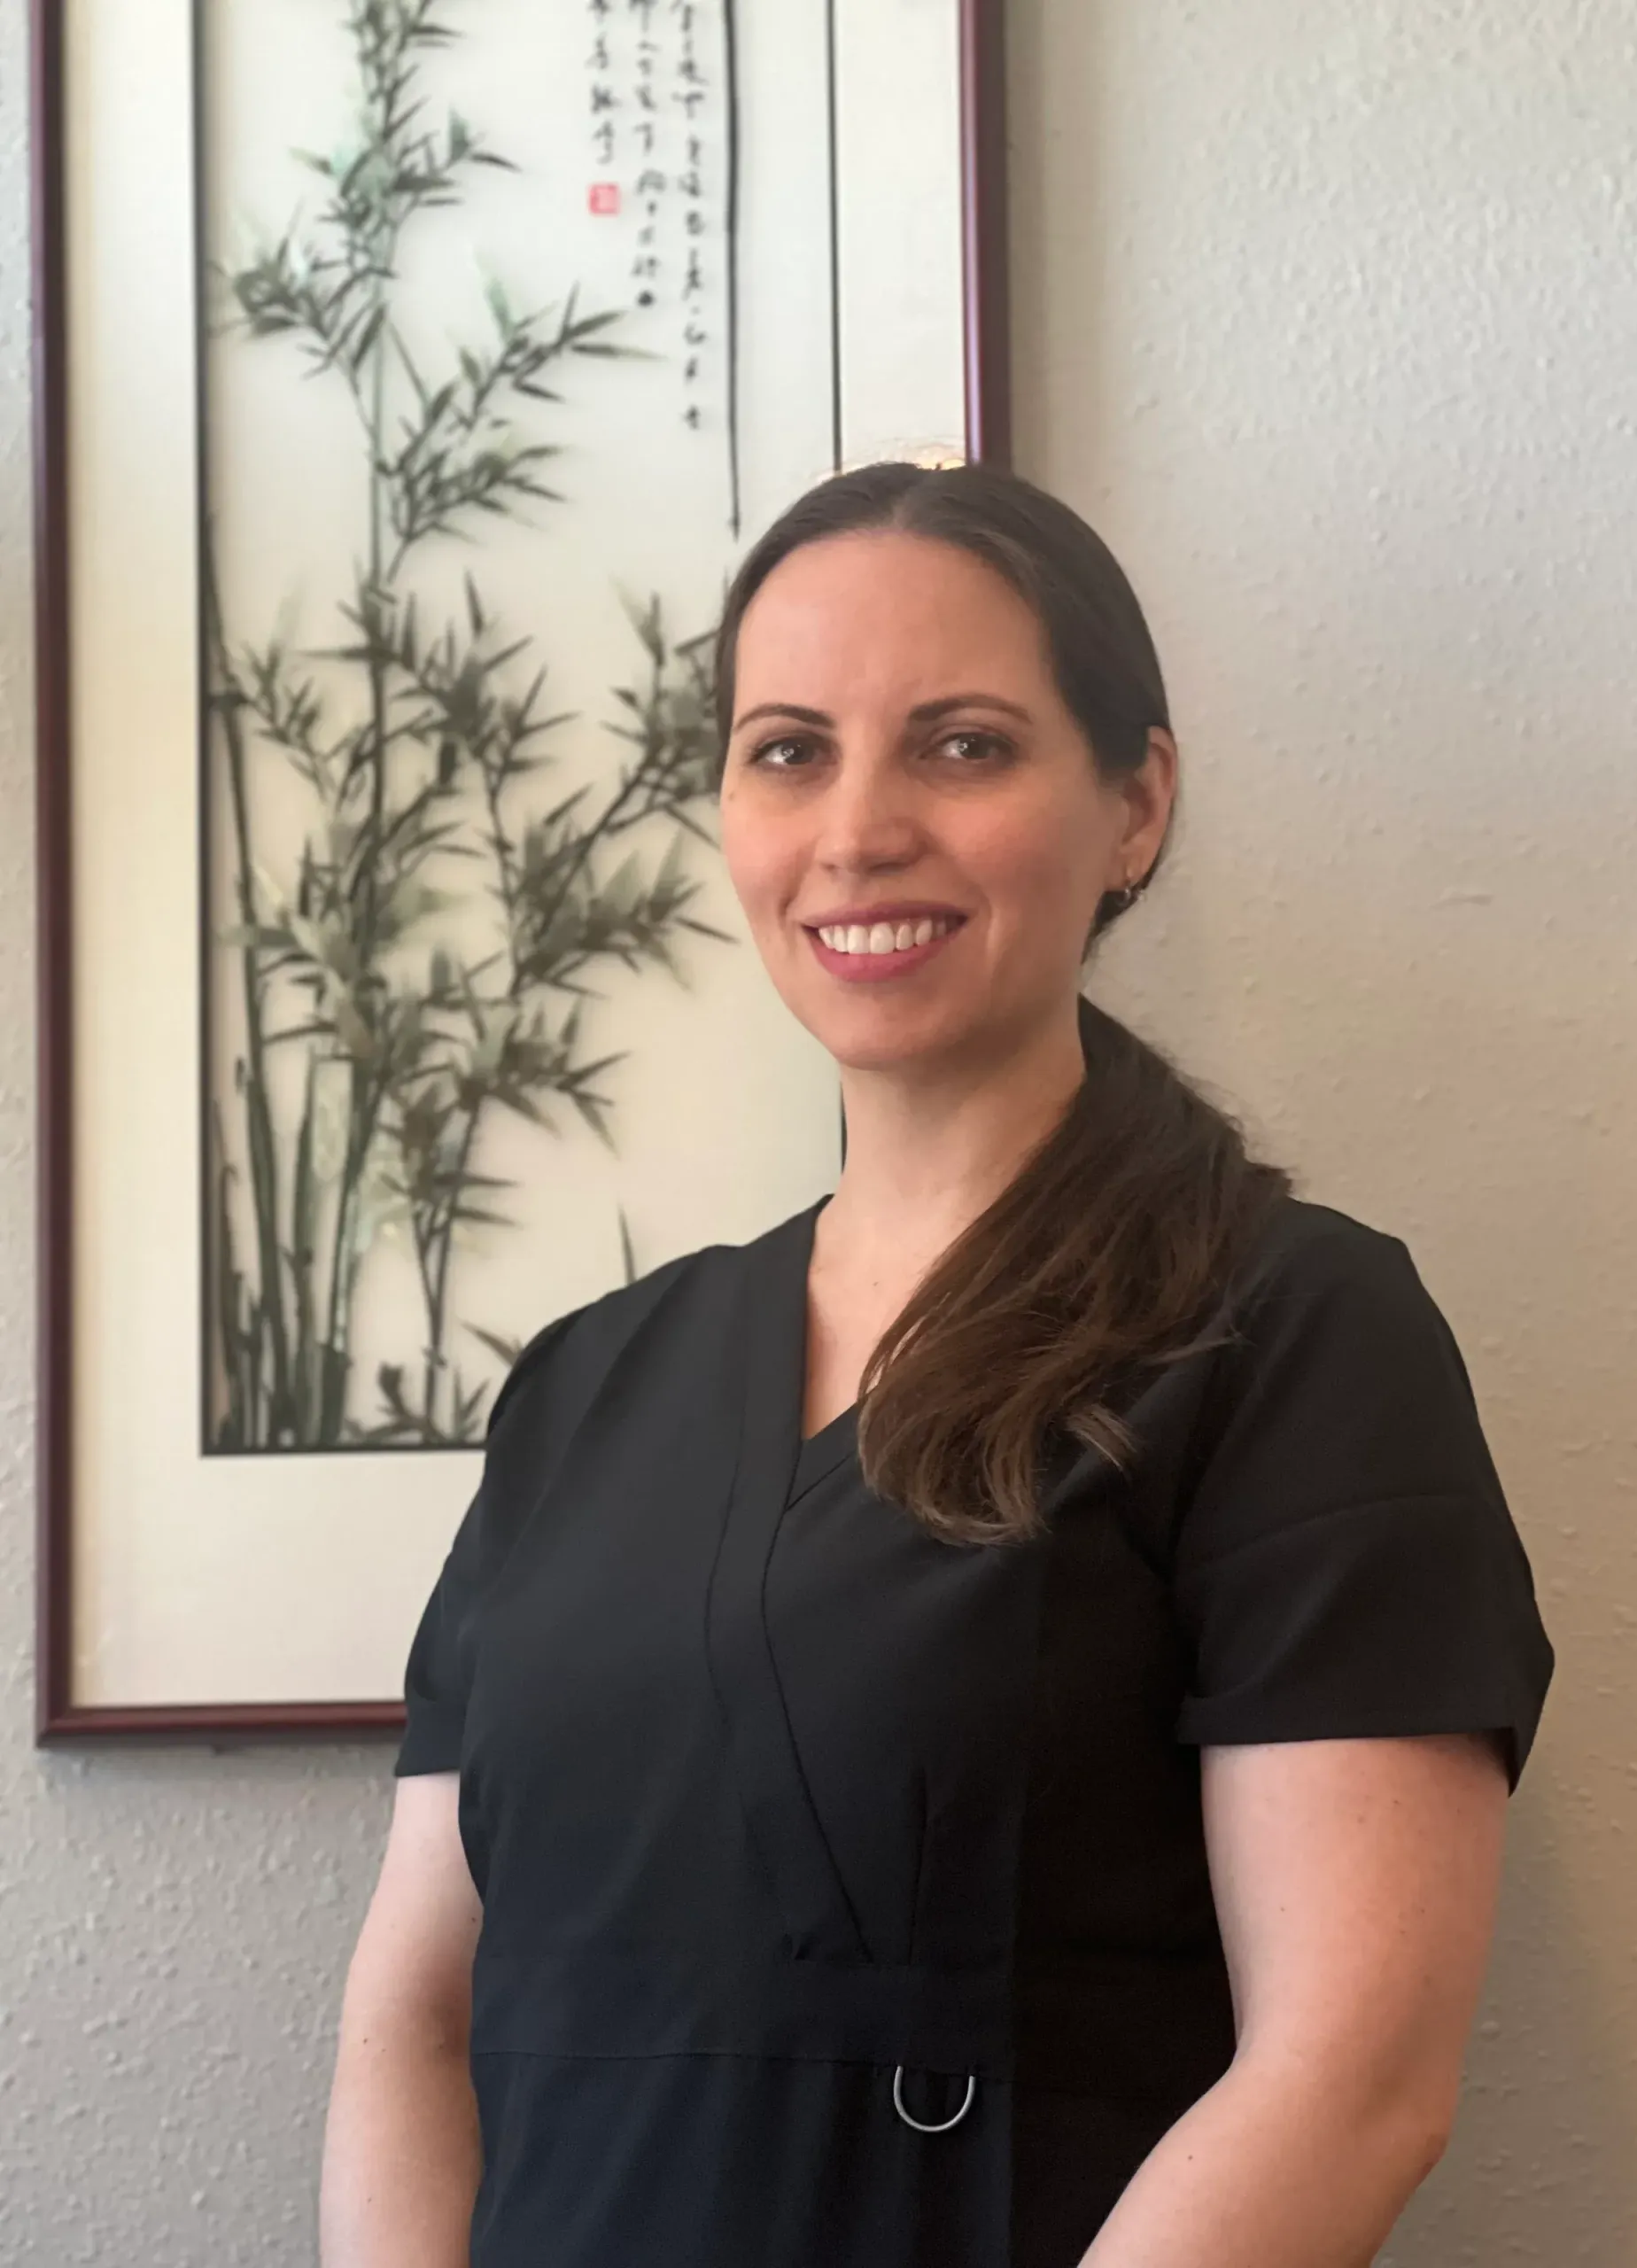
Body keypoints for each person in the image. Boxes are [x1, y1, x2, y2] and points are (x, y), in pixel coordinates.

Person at [319, 461, 1554, 2268]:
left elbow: (1357, 2077)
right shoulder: (586, 1385)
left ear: (1134, 802)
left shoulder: (1292, 1330)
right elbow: (413, 2016)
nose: (858, 826)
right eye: (789, 749)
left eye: (962, 745)